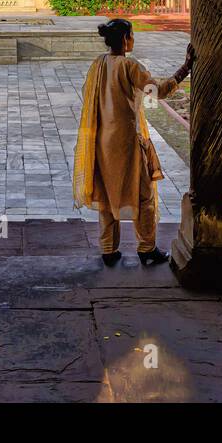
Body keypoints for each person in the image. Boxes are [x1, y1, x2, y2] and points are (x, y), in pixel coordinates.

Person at [73, 19, 194, 267]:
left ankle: (108, 249)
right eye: (132, 35)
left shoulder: (99, 64)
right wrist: (185, 68)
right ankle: (146, 248)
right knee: (144, 195)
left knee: (107, 195)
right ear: (126, 39)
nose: (134, 39)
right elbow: (157, 91)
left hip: (103, 143)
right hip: (127, 143)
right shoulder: (130, 66)